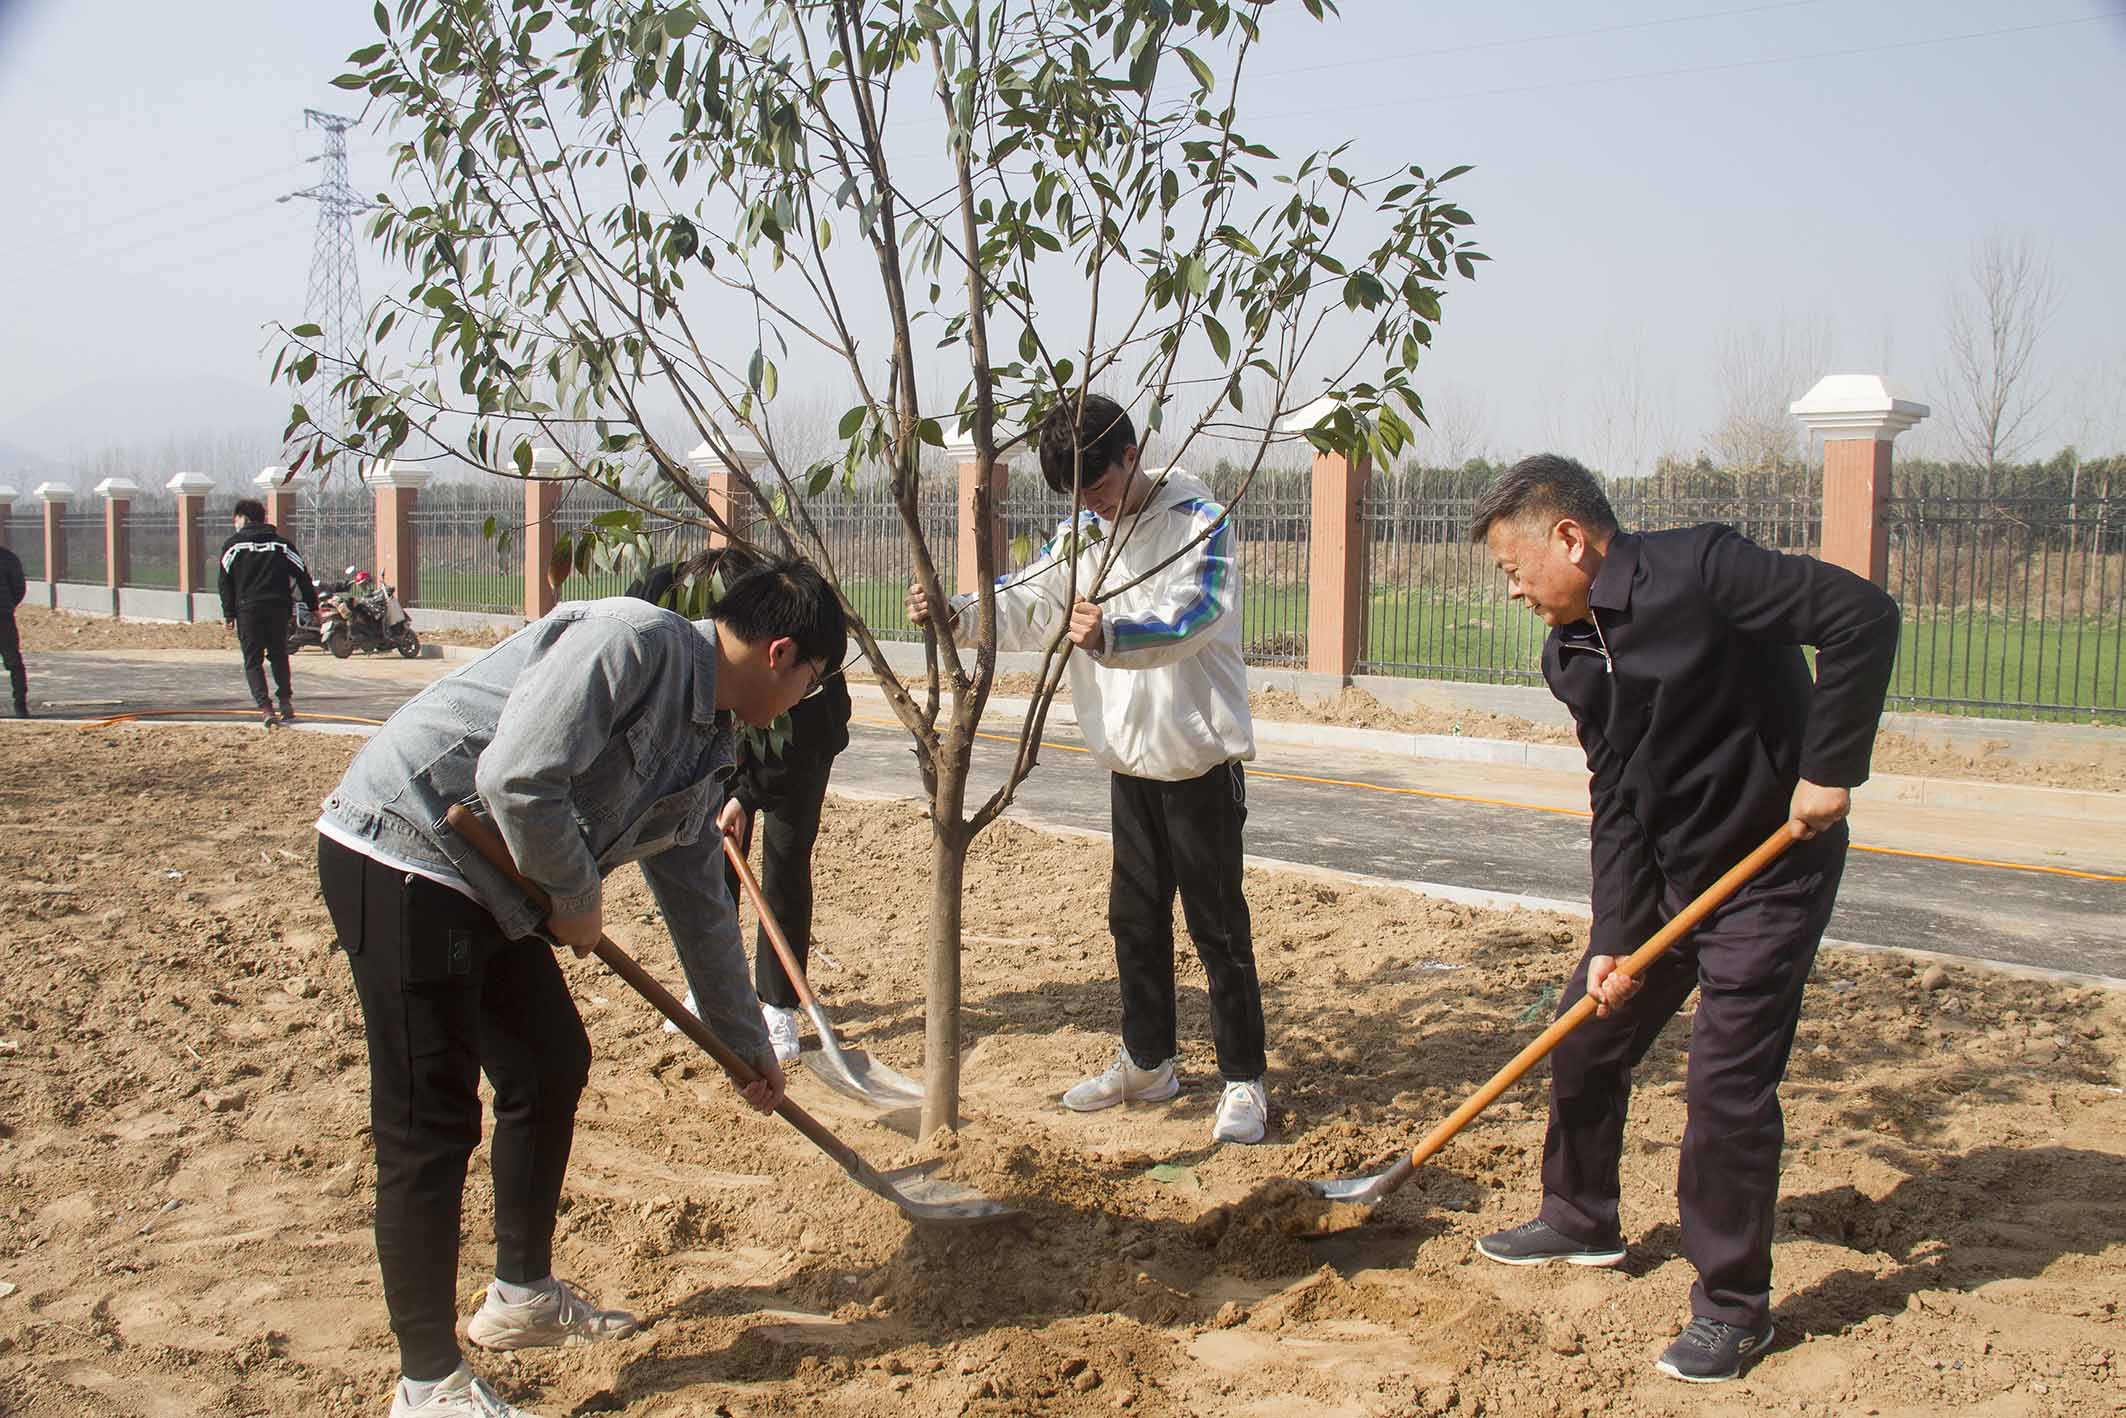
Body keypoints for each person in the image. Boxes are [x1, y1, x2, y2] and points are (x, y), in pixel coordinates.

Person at [315, 559, 842, 1418]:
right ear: (781, 653)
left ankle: (520, 1300)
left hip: (488, 881)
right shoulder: (630, 644)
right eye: (811, 684)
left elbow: (700, 900)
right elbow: (516, 778)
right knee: (432, 1117)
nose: (800, 702)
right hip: (404, 847)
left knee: (549, 1062)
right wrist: (578, 898)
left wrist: (743, 1044)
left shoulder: (710, 743)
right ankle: (426, 1386)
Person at [1466, 454, 1899, 1384]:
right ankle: (1579, 1217)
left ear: (1570, 539)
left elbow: (1862, 616)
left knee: (1725, 1086)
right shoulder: (1571, 654)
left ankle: (1734, 1307)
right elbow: (1616, 795)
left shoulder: (1704, 571)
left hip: (1770, 870)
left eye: (1514, 568)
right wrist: (1614, 937)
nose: (1513, 592)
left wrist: (1831, 768)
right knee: (1587, 1025)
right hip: (1670, 876)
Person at [906, 394, 1269, 1145]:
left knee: (1217, 930)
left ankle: (1243, 1078)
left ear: (1131, 455)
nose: (1095, 508)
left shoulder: (1200, 524)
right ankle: (1149, 1060)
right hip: (1129, 766)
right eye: (1080, 498)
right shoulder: (1083, 536)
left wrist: (1112, 634)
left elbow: (1194, 620)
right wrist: (959, 611)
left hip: (1198, 764)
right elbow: (1030, 598)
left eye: (1100, 489)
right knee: (1133, 920)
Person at [626, 548, 852, 1063]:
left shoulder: (806, 670)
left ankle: (778, 1002)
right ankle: (713, 985)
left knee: (786, 858)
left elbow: (806, 741)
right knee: (708, 853)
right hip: (722, 740)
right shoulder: (670, 606)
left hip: (797, 756)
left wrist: (747, 796)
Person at [218, 497, 318, 724]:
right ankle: (285, 701)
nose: (235, 523)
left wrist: (228, 613)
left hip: (248, 610)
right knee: (279, 655)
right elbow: (302, 575)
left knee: (253, 660)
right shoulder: (281, 545)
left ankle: (265, 708)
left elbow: (224, 583)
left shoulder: (233, 546)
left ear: (243, 518)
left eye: (236, 519)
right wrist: (313, 607)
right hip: (278, 608)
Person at [0, 540, 27, 717]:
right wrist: (8, 605)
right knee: (14, 662)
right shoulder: (8, 557)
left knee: (14, 662)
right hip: (3, 615)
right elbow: (19, 588)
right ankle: (20, 706)